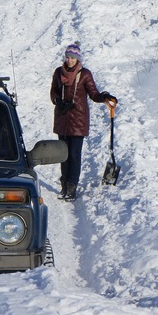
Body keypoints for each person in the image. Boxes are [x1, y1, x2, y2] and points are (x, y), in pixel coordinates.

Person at [50, 42, 117, 200]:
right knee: (63, 155)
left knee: (74, 154)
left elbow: (94, 94)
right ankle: (64, 185)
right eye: (67, 57)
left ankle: (72, 186)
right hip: (62, 118)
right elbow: (53, 91)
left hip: (78, 119)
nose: (69, 60)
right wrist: (58, 101)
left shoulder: (85, 74)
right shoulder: (58, 72)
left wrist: (105, 97)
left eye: (72, 58)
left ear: (77, 58)